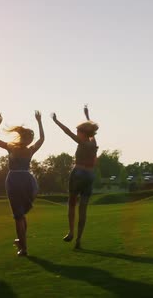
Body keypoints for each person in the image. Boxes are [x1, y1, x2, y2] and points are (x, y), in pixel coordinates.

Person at [0, 111, 44, 256]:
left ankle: (23, 248)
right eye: (31, 138)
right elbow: (42, 138)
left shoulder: (12, 147)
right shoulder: (30, 150)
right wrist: (40, 121)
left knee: (18, 216)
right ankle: (21, 242)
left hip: (14, 180)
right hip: (28, 180)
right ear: (27, 139)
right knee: (21, 215)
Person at [52, 105, 99, 249]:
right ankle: (78, 239)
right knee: (83, 209)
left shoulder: (83, 142)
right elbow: (91, 131)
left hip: (78, 174)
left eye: (78, 131)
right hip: (90, 175)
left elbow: (67, 132)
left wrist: (56, 121)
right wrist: (87, 115)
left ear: (83, 133)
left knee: (72, 204)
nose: (77, 133)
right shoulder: (93, 143)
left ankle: (71, 232)